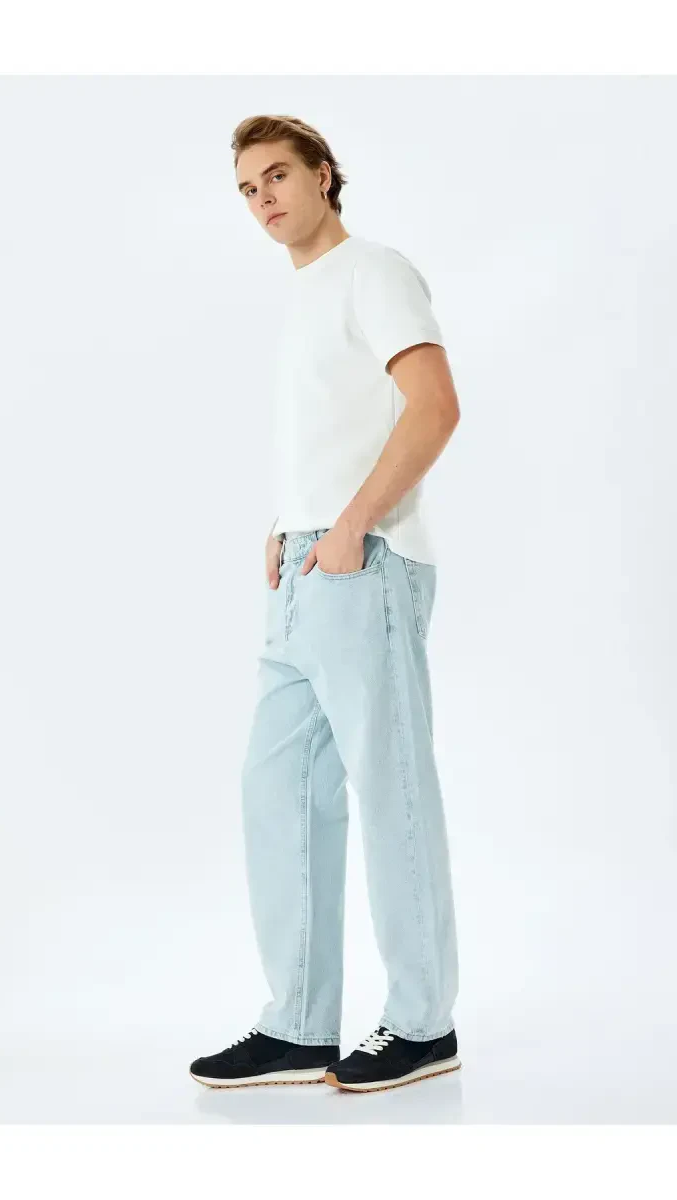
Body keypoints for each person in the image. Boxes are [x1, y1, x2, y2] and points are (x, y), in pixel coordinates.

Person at [190, 115, 461, 1094]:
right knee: (277, 791)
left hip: (364, 563)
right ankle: (300, 1024)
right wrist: (290, 522)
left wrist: (349, 525)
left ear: (323, 176)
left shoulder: (372, 272)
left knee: (390, 789)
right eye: (245, 188)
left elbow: (434, 406)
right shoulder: (305, 296)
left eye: (276, 175)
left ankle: (423, 1023)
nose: (261, 197)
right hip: (306, 568)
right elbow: (336, 429)